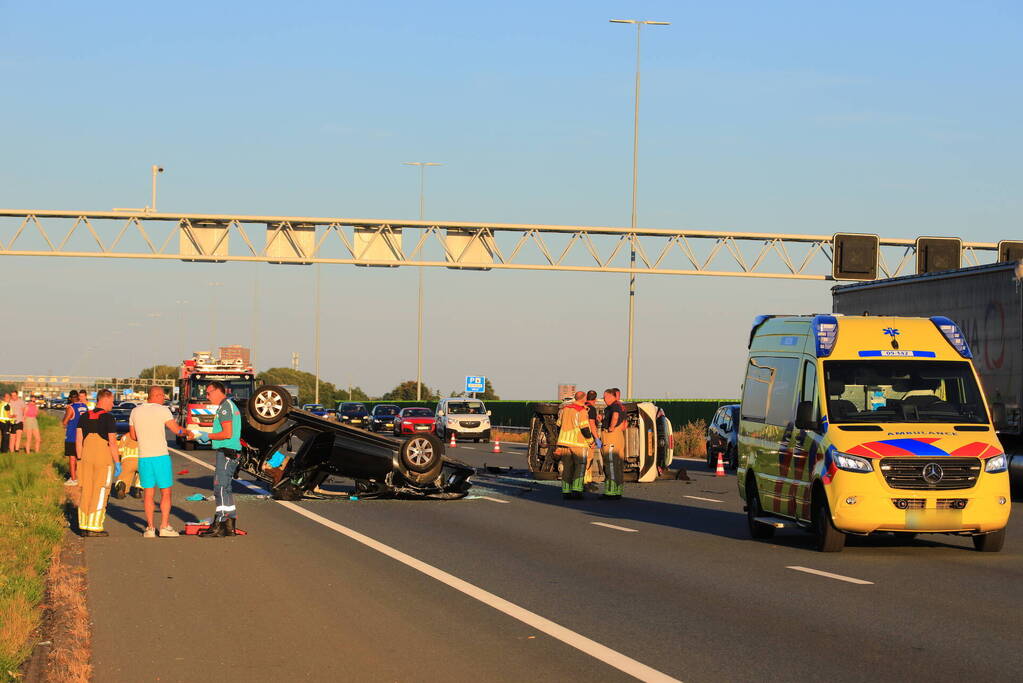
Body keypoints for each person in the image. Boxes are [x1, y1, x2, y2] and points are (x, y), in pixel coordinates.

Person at [130, 386, 190, 538]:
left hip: (144, 457)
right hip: (160, 456)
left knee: (148, 493)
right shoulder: (163, 410)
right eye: (162, 395)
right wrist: (189, 433)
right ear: (156, 395)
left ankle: (150, 528)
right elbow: (177, 430)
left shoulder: (135, 411)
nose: (164, 398)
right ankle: (164, 526)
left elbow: (133, 436)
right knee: (166, 492)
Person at [198, 381, 242, 537]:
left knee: (220, 488)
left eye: (208, 393)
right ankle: (229, 525)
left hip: (227, 452)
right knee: (226, 488)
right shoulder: (228, 406)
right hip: (229, 451)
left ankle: (221, 524)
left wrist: (207, 436)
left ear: (218, 391)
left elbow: (227, 433)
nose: (207, 396)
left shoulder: (225, 408)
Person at [75, 389, 122, 537]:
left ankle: (83, 525)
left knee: (86, 491)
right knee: (101, 490)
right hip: (103, 459)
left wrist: (79, 459)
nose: (113, 404)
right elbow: (113, 443)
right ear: (105, 399)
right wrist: (117, 462)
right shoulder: (109, 418)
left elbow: (78, 440)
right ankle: (94, 527)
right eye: (112, 401)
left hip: (85, 458)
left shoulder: (84, 416)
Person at [557, 391, 593, 500]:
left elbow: (558, 425)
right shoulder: (581, 411)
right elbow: (584, 428)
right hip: (578, 443)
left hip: (564, 443)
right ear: (584, 398)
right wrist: (590, 440)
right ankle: (577, 490)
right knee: (580, 467)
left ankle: (566, 491)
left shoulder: (565, 409)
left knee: (567, 467)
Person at [600, 388, 627, 500]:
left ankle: (610, 492)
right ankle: (618, 490)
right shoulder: (621, 406)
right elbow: (624, 423)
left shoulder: (614, 406)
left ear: (611, 396)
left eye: (605, 397)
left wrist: (611, 427)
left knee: (610, 463)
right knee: (618, 465)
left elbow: (615, 416)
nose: (604, 399)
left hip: (611, 437)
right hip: (619, 437)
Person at [62, 390, 88, 485]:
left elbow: (64, 422)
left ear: (70, 398)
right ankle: (81, 476)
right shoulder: (84, 407)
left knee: (72, 458)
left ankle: (73, 479)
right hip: (83, 436)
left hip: (72, 436)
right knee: (80, 458)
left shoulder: (71, 408)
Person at [584, 390, 604, 490]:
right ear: (595, 399)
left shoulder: (583, 406)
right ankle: (586, 482)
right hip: (588, 438)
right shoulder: (591, 409)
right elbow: (592, 424)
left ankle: (583, 481)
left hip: (579, 438)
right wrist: (596, 438)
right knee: (588, 460)